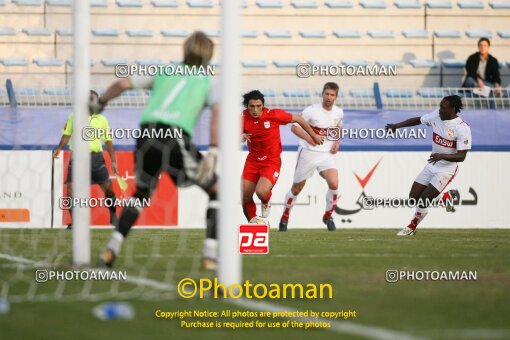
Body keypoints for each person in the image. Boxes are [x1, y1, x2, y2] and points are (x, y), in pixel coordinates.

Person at [91, 31, 220, 269]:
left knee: (140, 194)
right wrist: (213, 150)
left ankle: (111, 249)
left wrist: (99, 103)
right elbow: (218, 113)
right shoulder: (207, 81)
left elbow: (121, 84)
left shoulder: (164, 71)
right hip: (173, 135)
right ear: (208, 56)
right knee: (217, 189)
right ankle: (210, 256)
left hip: (146, 135)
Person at [385, 95, 471, 236]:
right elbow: (418, 120)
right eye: (440, 106)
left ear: (452, 109)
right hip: (432, 164)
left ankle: (411, 228)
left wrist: (442, 156)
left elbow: (462, 156)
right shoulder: (436, 115)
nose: (440, 109)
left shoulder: (462, 128)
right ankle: (445, 198)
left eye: (443, 107)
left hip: (447, 169)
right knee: (413, 197)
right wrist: (397, 126)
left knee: (425, 198)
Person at [241, 90, 324, 222]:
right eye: (252, 106)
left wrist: (313, 136)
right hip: (252, 161)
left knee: (261, 192)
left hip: (271, 160)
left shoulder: (274, 115)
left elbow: (298, 119)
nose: (255, 109)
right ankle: (254, 223)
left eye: (258, 106)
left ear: (263, 105)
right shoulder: (242, 118)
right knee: (245, 196)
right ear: (247, 106)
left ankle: (266, 200)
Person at [278, 82, 343, 232]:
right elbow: (294, 127)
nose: (329, 97)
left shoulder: (338, 112)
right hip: (308, 153)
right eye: (327, 94)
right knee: (297, 189)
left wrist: (337, 143)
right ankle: (285, 217)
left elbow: (339, 126)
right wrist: (309, 138)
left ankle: (328, 216)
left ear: (336, 97)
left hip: (326, 154)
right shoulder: (311, 111)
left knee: (334, 184)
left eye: (332, 95)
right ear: (322, 94)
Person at [53, 90, 118, 229]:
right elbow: (66, 134)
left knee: (109, 190)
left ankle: (114, 218)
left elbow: (108, 141)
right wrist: (59, 148)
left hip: (96, 159)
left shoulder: (102, 119)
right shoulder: (74, 117)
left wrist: (113, 160)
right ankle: (75, 223)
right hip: (77, 158)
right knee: (70, 189)